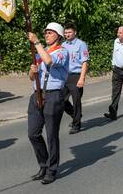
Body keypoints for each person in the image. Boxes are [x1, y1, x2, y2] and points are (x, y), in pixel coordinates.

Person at [27, 22, 69, 184]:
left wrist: (36, 42)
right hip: (37, 95)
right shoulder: (40, 52)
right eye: (45, 33)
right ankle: (43, 165)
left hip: (53, 96)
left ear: (58, 36)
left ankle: (52, 169)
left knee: (51, 135)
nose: (46, 35)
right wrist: (32, 71)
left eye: (50, 33)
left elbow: (50, 61)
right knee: (33, 133)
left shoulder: (62, 52)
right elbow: (32, 77)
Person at [62, 23, 89, 134]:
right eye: (66, 32)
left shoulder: (81, 44)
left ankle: (76, 125)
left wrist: (82, 78)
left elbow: (85, 62)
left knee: (76, 101)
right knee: (61, 100)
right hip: (65, 76)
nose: (67, 34)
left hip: (76, 76)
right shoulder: (63, 45)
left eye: (69, 32)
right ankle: (75, 115)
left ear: (75, 32)